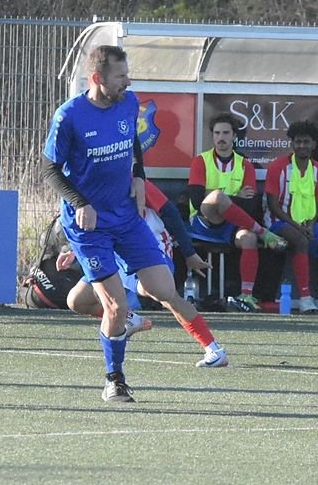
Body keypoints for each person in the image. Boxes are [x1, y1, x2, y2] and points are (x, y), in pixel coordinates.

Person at [42, 45, 227, 404]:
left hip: (125, 217)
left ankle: (206, 344)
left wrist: (139, 175)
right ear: (97, 78)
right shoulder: (69, 116)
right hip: (89, 226)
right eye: (121, 76)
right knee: (114, 306)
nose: (128, 82)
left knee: (163, 288)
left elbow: (132, 142)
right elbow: (49, 169)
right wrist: (80, 203)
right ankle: (115, 379)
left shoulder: (128, 103)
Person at [56, 179, 214, 338]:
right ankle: (130, 320)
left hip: (149, 245)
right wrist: (72, 250)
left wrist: (189, 253)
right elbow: (87, 223)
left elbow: (171, 213)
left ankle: (212, 347)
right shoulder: (86, 182)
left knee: (159, 292)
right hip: (115, 250)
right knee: (77, 300)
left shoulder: (132, 180)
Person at [188, 112, 288, 312]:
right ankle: (264, 232)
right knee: (217, 197)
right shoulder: (201, 161)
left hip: (231, 223)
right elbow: (197, 199)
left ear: (234, 136)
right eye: (217, 133)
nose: (221, 137)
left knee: (249, 238)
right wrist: (232, 196)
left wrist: (220, 196)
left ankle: (246, 296)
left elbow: (249, 205)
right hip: (203, 221)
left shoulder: (245, 165)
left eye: (226, 133)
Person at [264, 120, 318, 314]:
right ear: (292, 144)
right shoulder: (277, 167)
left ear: (313, 144)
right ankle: (305, 298)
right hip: (279, 222)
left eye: (306, 142)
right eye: (298, 142)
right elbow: (273, 206)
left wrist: (311, 224)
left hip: (308, 223)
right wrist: (298, 226)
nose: (302, 146)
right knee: (301, 240)